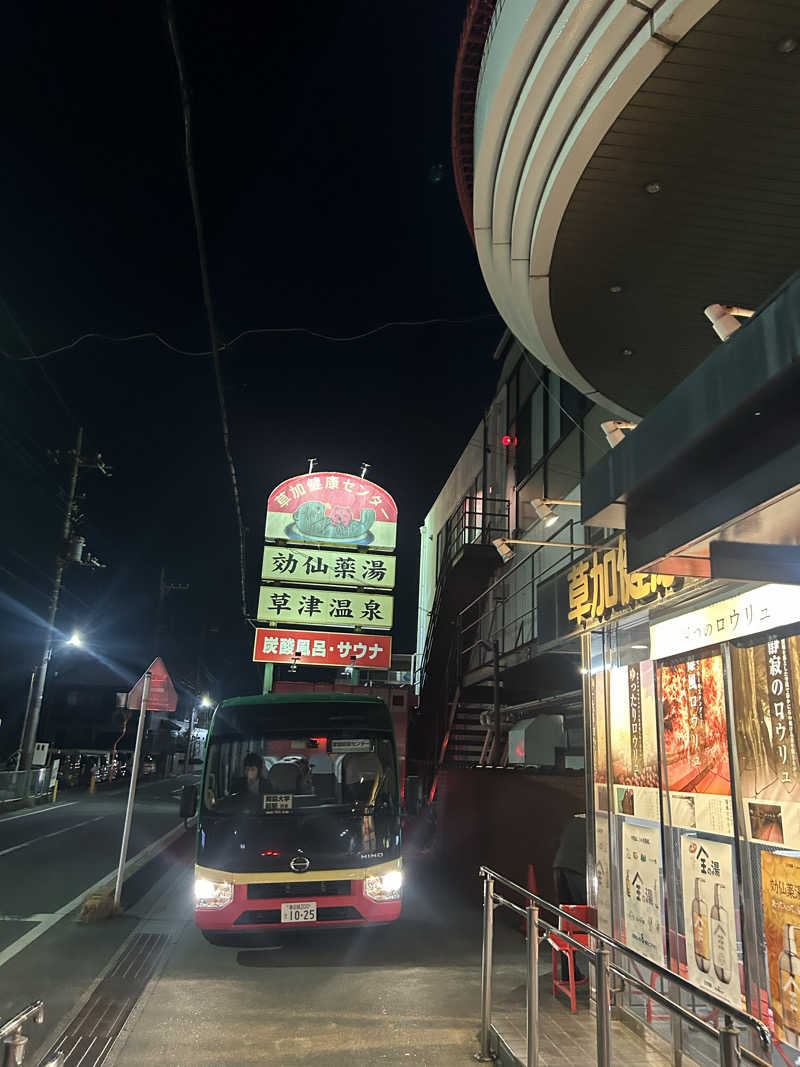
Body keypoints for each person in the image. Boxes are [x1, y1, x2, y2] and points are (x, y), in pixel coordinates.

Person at [552, 813, 587, 980]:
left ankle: (569, 972)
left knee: (565, 923)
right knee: (593, 921)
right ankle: (602, 975)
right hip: (578, 871)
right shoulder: (596, 823)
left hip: (559, 867)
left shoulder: (574, 819)